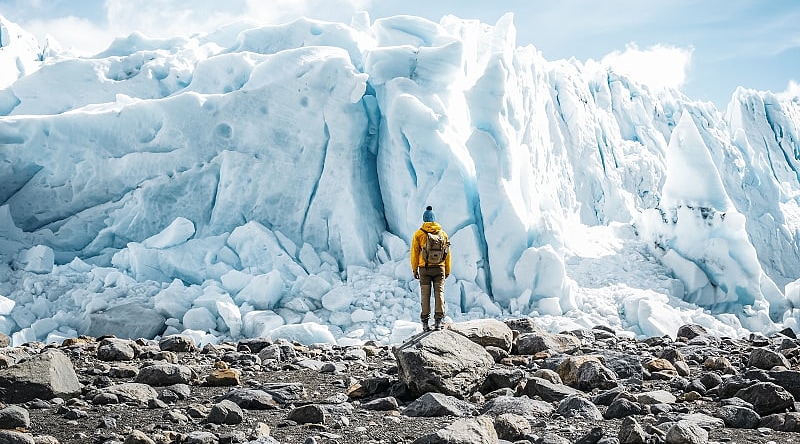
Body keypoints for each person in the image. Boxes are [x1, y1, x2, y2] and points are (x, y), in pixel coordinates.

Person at [411, 206, 451, 331]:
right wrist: (447, 269)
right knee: (439, 293)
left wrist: (414, 269)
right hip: (440, 268)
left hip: (425, 269)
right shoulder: (443, 234)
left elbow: (414, 252)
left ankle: (425, 323)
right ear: (434, 219)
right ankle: (438, 322)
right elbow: (447, 254)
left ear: (424, 219)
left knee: (425, 295)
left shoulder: (419, 234)